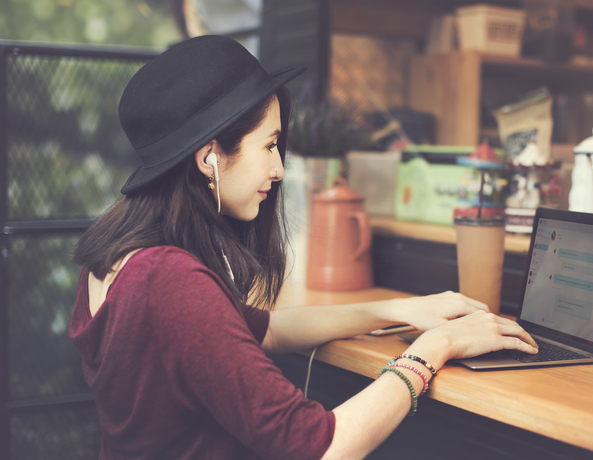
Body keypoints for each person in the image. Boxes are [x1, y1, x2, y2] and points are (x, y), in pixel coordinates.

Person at [69, 35, 538, 460]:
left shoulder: (115, 260)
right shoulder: (171, 282)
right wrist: (437, 347)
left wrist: (402, 309)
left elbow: (262, 330)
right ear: (210, 156)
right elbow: (326, 448)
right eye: (270, 146)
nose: (278, 169)